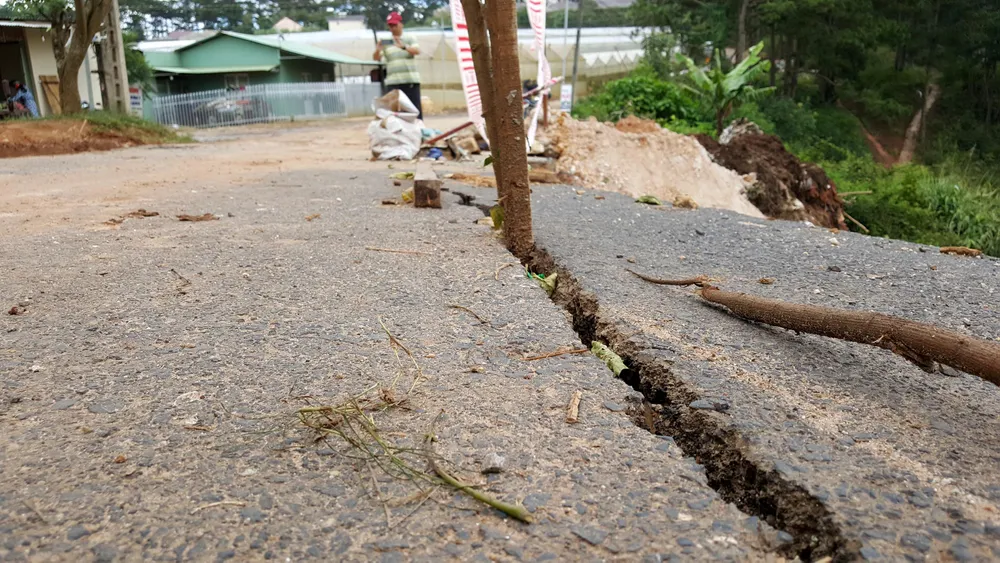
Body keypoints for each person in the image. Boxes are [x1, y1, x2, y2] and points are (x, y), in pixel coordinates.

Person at [373, 12, 422, 119]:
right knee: (394, 111)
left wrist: (403, 46)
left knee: (414, 109)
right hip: (393, 82)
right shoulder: (386, 42)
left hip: (409, 80)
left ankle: (419, 131)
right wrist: (378, 49)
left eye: (395, 25)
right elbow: (376, 58)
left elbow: (417, 51)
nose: (393, 28)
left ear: (401, 24)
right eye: (390, 26)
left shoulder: (409, 38)